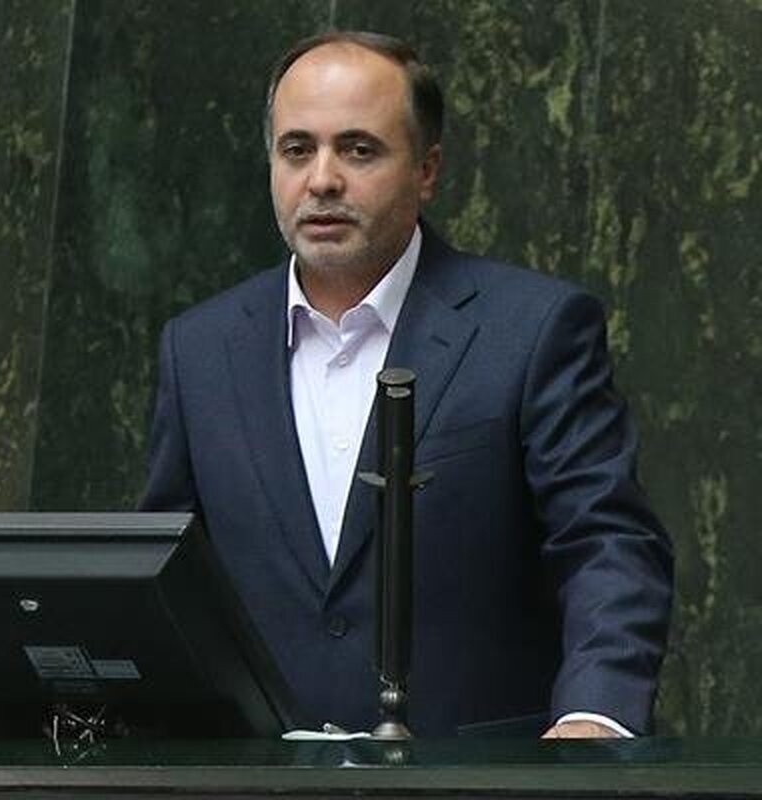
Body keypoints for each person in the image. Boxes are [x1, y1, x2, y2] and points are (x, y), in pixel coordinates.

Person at [139, 31, 673, 738]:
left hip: (479, 774)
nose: (322, 180)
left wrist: (595, 716)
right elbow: (167, 577)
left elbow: (605, 541)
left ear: (426, 170)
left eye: (358, 150)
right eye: (297, 149)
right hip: (261, 774)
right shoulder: (200, 349)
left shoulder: (534, 329)